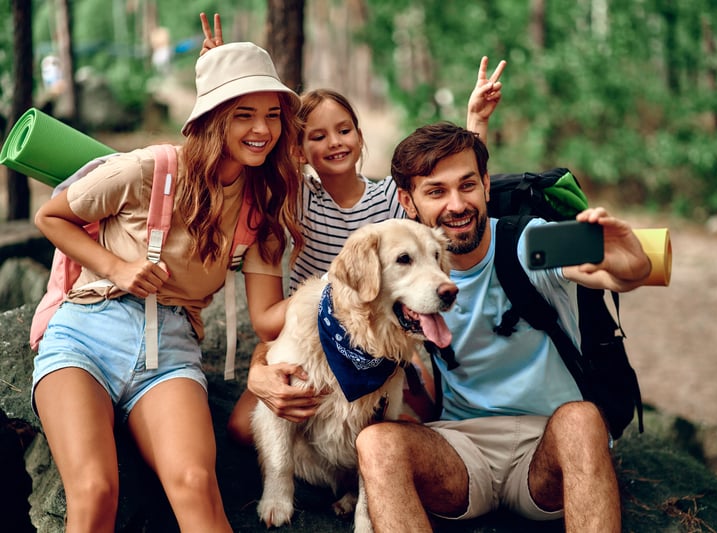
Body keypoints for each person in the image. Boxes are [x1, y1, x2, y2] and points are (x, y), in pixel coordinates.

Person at [197, 13, 510, 444]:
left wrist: (477, 124)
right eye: (318, 136)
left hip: (380, 327)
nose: (335, 142)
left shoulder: (388, 200)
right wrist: (224, 88)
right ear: (299, 150)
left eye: (345, 130)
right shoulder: (296, 198)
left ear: (360, 138)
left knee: (411, 420)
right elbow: (251, 162)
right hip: (314, 329)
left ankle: (377, 472)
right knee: (242, 428)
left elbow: (452, 197)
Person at [31, 41, 302, 532]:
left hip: (171, 351)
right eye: (244, 114)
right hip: (86, 334)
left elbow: (267, 319)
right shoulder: (149, 168)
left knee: (197, 483)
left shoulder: (260, 208)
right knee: (94, 491)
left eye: (273, 115)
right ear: (213, 118)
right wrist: (115, 267)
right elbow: (51, 216)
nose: (262, 130)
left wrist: (332, 289)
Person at [351, 122, 652, 532]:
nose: (457, 204)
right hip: (461, 450)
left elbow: (617, 272)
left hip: (547, 448)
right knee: (375, 444)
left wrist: (631, 259)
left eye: (467, 185)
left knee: (583, 419)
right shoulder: (399, 271)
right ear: (408, 200)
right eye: (436, 191)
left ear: (487, 185)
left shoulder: (531, 243)